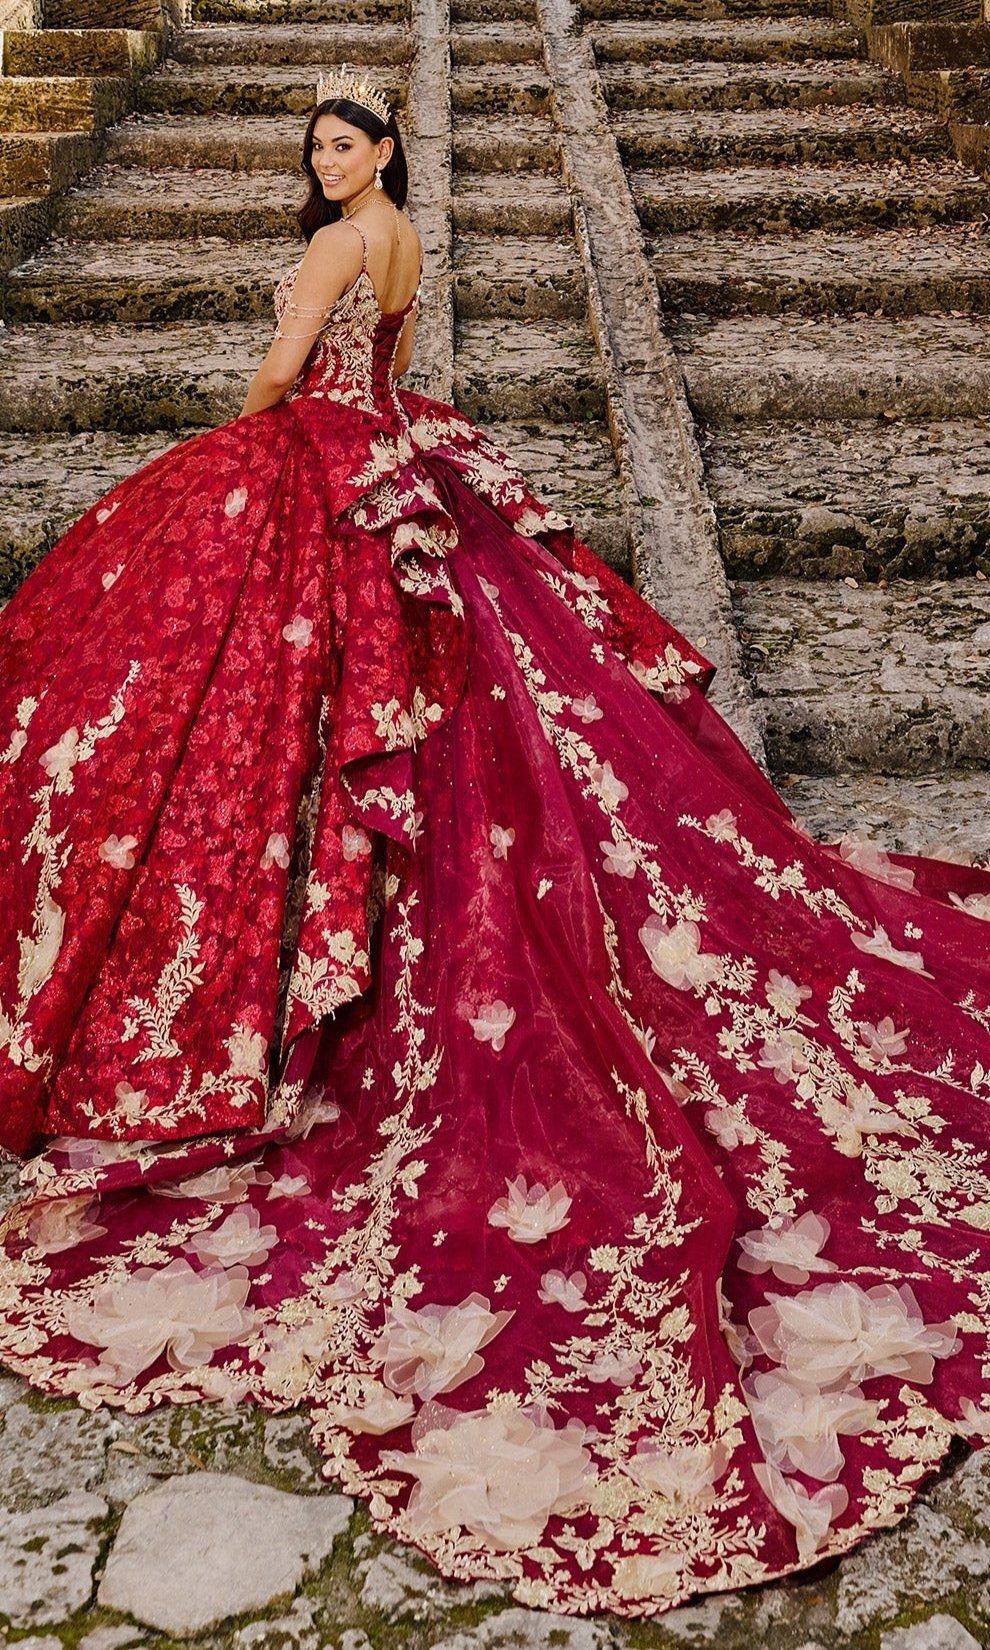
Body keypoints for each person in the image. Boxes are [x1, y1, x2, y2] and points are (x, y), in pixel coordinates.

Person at [0, 68, 989, 1620]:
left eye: (344, 139)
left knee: (228, 701)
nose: (327, 158)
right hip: (401, 455)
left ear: (384, 147)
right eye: (317, 142)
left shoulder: (341, 243)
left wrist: (237, 438)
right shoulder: (402, 240)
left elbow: (280, 380)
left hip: (324, 466)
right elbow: (380, 370)